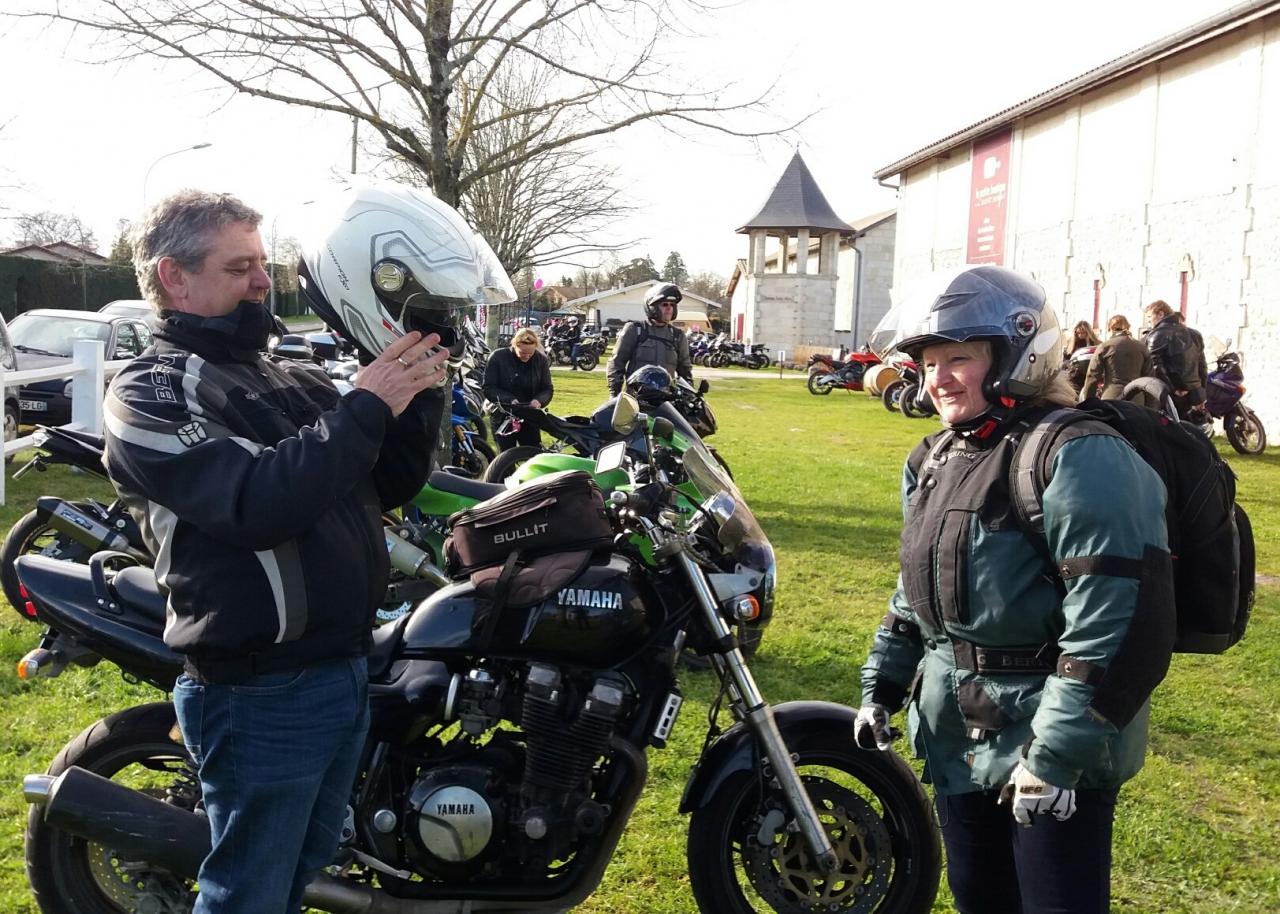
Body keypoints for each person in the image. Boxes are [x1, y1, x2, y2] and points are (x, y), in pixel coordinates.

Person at [104, 184, 513, 914]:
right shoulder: (152, 389)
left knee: (296, 878)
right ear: (174, 277)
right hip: (260, 689)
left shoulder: (279, 375)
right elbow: (254, 502)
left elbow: (382, 480)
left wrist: (416, 390)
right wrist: (363, 404)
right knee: (248, 893)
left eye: (262, 263)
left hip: (342, 669)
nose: (265, 281)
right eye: (240, 267)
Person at [855, 265, 1172, 914]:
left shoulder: (1081, 454)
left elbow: (1113, 618)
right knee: (980, 898)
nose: (937, 377)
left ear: (1018, 354)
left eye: (958, 358)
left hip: (1050, 737)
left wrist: (1054, 756)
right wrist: (881, 686)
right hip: (956, 731)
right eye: (928, 360)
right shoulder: (935, 458)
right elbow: (918, 587)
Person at [605, 281, 693, 395]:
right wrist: (614, 393)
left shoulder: (677, 336)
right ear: (652, 307)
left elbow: (685, 371)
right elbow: (616, 363)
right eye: (665, 304)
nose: (669, 308)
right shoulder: (635, 330)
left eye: (672, 305)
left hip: (667, 402)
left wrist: (689, 394)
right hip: (637, 399)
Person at [484, 326, 554, 451]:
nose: (526, 357)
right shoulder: (498, 357)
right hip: (503, 413)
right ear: (514, 345)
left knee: (533, 453)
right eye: (522, 353)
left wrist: (539, 400)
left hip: (530, 414)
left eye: (530, 353)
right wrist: (509, 399)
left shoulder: (540, 360)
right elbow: (489, 387)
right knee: (506, 455)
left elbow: (547, 388)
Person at [1143, 299, 1205, 419]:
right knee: (1190, 432)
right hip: (1193, 393)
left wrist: (1172, 389)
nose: (1149, 321)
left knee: (1166, 431)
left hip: (1169, 394)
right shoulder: (1194, 334)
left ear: (1160, 314)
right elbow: (1202, 366)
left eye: (1150, 316)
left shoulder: (1156, 335)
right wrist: (1201, 393)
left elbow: (1155, 367)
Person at [1080, 313, 1153, 402]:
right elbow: (1149, 379)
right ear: (1128, 327)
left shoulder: (1105, 346)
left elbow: (1093, 376)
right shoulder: (1142, 347)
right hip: (1136, 400)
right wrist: (1150, 406)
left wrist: (1087, 401)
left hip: (1111, 398)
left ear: (1110, 328)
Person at [1063, 320, 1101, 393]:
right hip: (1075, 377)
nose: (1080, 335)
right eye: (1078, 333)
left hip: (1091, 376)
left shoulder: (1097, 344)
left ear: (1088, 333)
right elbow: (1066, 359)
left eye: (1083, 333)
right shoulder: (1072, 345)